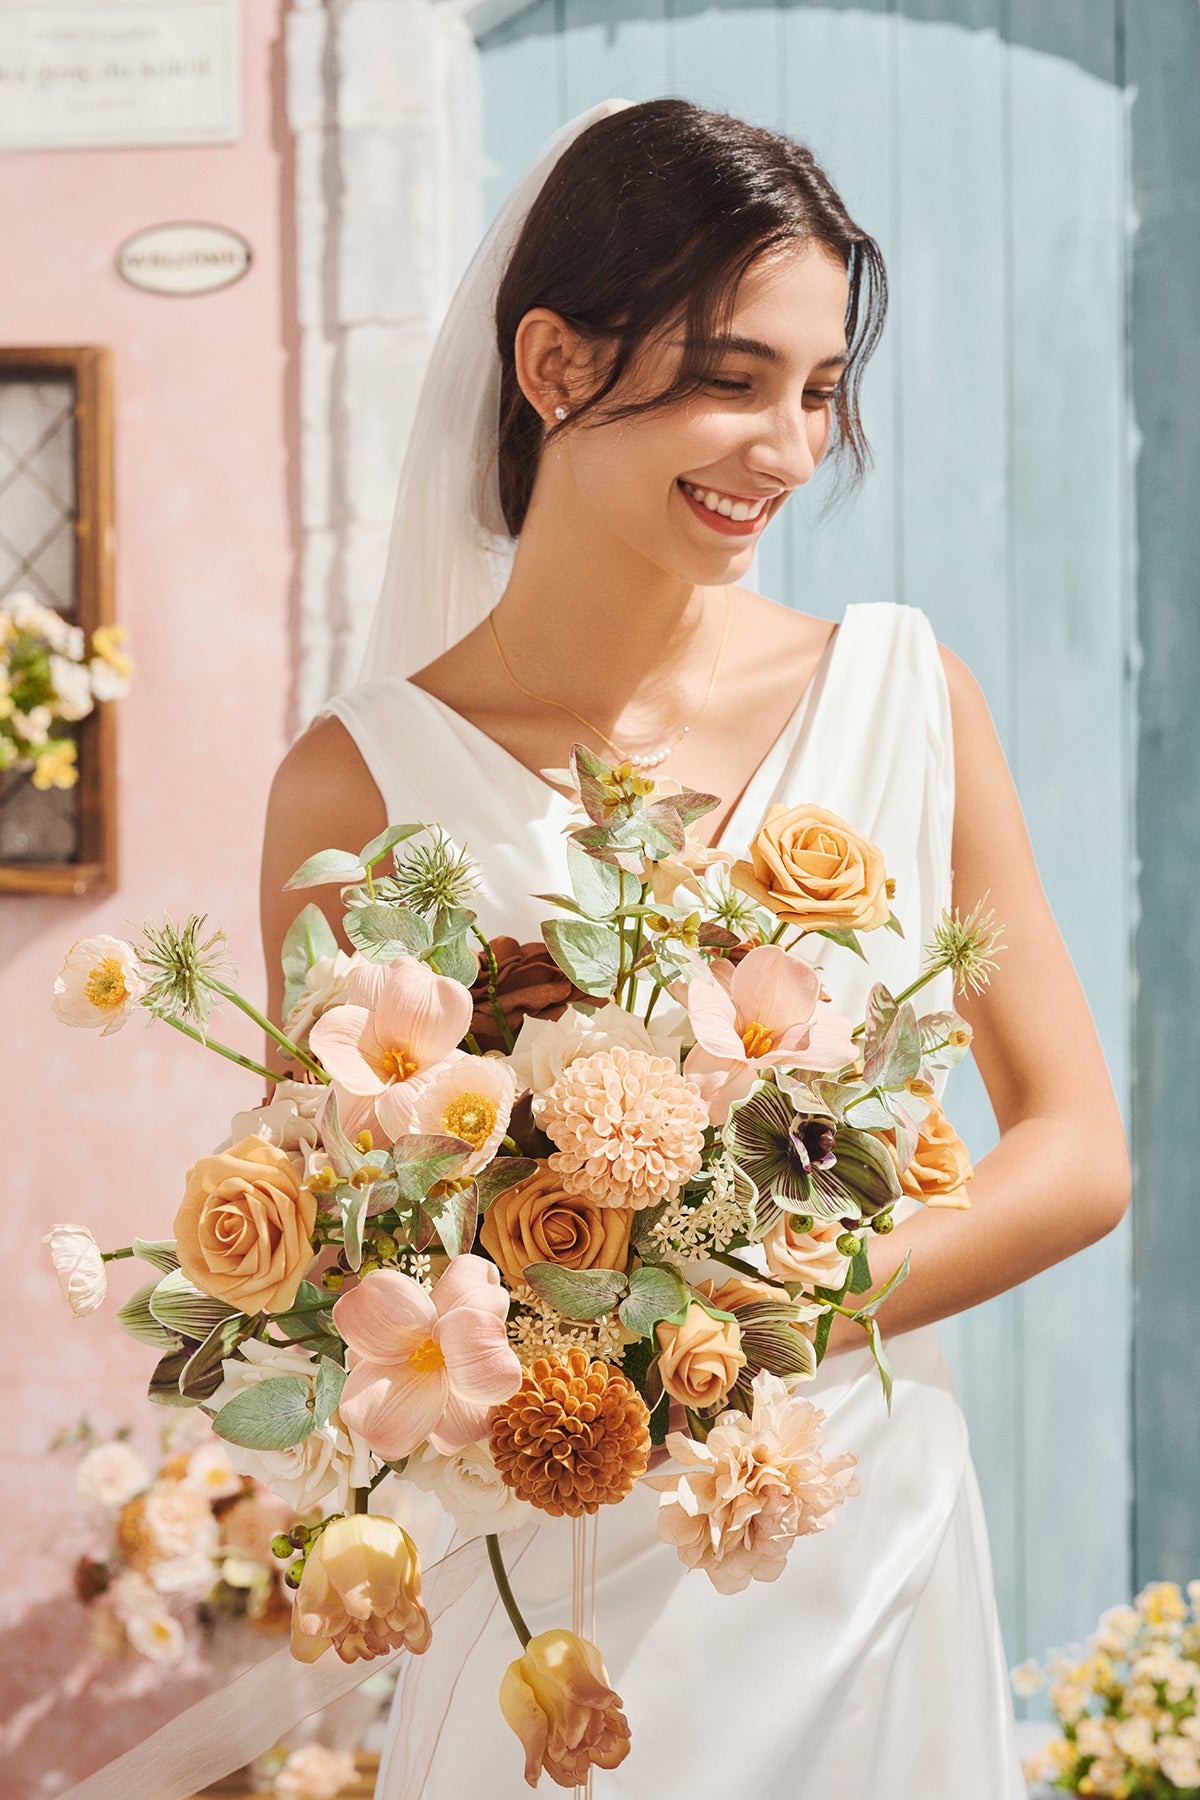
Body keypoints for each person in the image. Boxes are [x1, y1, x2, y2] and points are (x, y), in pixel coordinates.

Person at [259, 97, 1129, 1798]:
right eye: (735, 380)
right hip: (544, 1588)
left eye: (819, 393)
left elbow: (1079, 1151)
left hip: (851, 1538)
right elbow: (339, 1238)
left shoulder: (905, 694)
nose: (791, 451)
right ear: (553, 362)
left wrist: (747, 1325)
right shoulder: (354, 782)